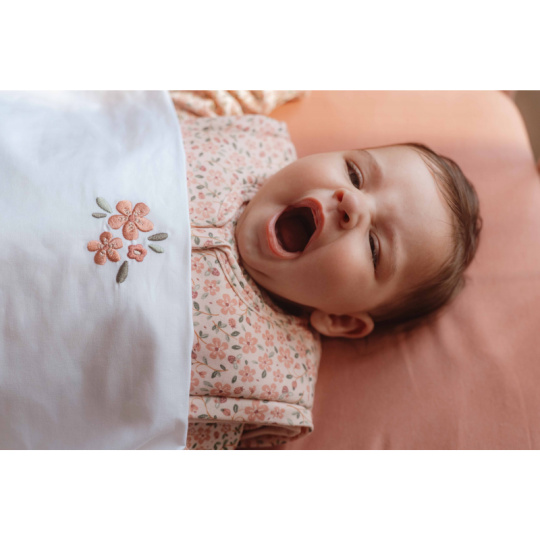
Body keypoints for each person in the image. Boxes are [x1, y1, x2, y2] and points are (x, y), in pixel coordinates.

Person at [183, 115, 481, 449]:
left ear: (340, 319)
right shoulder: (251, 144)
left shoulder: (267, 381)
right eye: (355, 175)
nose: (352, 201)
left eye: (373, 247)